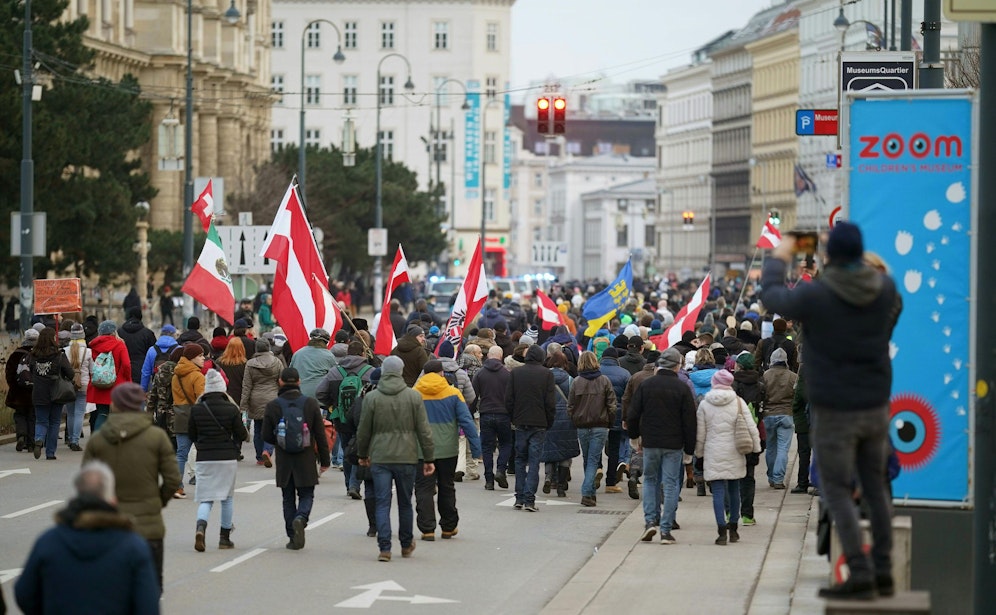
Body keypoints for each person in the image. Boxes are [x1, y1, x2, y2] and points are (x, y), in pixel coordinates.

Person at [761, 221, 901, 599]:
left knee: (837, 489)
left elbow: (772, 294)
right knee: (875, 489)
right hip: (874, 403)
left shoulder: (818, 295)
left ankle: (859, 572)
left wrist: (783, 253)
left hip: (835, 406)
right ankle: (885, 571)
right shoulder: (885, 289)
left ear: (828, 255)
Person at [15, 461, 160, 615]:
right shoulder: (133, 547)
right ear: (112, 499)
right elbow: (148, 607)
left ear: (77, 493)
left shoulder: (49, 541)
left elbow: (24, 594)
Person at [83, 383, 181, 592]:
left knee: (112, 591)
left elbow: (87, 486)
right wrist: (157, 500)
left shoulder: (98, 440)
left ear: (114, 404)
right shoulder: (156, 437)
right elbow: (173, 479)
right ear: (140, 404)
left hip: (109, 527)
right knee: (150, 589)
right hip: (149, 527)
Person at [356, 356, 435, 562]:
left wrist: (362, 455)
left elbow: (363, 431)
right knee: (405, 503)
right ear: (401, 371)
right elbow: (424, 431)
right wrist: (428, 458)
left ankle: (384, 547)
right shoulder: (413, 396)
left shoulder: (372, 398)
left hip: (380, 456)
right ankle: (406, 543)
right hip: (407, 456)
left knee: (382, 502)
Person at [627, 348, 697, 545]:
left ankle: (650, 520)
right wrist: (689, 450)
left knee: (650, 480)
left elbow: (633, 413)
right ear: (678, 366)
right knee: (672, 483)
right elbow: (690, 422)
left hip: (650, 441)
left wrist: (635, 437)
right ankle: (666, 529)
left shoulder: (646, 385)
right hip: (674, 443)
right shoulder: (682, 388)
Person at [262, 368, 332, 551]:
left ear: (280, 382)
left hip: (285, 459)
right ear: (299, 382)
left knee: (287, 498)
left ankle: (292, 537)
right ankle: (301, 518)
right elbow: (320, 434)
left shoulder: (273, 405)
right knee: (307, 494)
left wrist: (280, 439)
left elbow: (266, 435)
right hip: (306, 457)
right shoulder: (310, 404)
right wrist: (325, 460)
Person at [413, 359, 481, 541]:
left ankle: (427, 529)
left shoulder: (413, 394)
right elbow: (466, 421)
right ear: (441, 373)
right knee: (446, 487)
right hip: (448, 450)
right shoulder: (453, 393)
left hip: (421, 450)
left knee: (423, 488)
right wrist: (476, 449)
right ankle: (448, 527)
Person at [695, 369, 761, 546]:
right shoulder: (738, 402)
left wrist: (698, 455)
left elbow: (701, 434)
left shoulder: (704, 404)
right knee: (734, 490)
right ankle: (734, 528)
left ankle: (721, 531)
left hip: (713, 451)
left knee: (717, 492)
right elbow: (751, 427)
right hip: (735, 452)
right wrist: (756, 449)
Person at [188, 370, 250, 552]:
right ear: (223, 389)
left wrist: (201, 444)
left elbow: (192, 433)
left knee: (206, 498)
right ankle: (224, 538)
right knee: (227, 498)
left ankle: (201, 527)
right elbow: (241, 434)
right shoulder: (231, 409)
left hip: (204, 457)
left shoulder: (197, 409)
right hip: (226, 458)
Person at [316, 340, 374, 498]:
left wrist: (333, 405)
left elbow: (319, 393)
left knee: (348, 450)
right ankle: (354, 485)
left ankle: (349, 483)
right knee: (360, 448)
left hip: (341, 418)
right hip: (364, 417)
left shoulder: (335, 371)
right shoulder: (370, 371)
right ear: (363, 353)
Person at [505, 345, 556, 512]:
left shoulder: (515, 373)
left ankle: (519, 497)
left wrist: (513, 417)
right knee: (534, 461)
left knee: (520, 459)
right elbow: (550, 402)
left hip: (520, 422)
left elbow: (509, 399)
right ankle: (529, 499)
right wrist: (549, 421)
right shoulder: (546, 374)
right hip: (539, 422)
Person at [567, 351, 616, 507]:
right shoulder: (604, 381)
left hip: (582, 426)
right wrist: (610, 422)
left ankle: (589, 491)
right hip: (600, 425)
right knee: (593, 460)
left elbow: (571, 406)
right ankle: (587, 492)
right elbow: (612, 405)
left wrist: (574, 419)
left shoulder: (576, 382)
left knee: (588, 459)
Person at [28, 327, 74, 460]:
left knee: (41, 421)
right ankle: (50, 453)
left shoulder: (33, 355)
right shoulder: (59, 355)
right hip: (56, 392)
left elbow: (31, 371)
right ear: (53, 339)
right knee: (54, 422)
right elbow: (70, 373)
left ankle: (39, 439)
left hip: (38, 392)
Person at [731, 352, 765, 526]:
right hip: (753, 434)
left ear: (739, 366)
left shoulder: (733, 385)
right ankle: (747, 514)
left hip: (733, 435)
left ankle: (730, 513)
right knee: (748, 476)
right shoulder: (760, 386)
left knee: (731, 477)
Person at [540, 350, 580, 497]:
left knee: (549, 449)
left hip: (548, 417)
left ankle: (549, 478)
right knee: (564, 452)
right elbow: (574, 400)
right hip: (566, 419)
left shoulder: (544, 377)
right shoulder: (570, 379)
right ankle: (562, 485)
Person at [473, 345, 512, 490]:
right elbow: (511, 396)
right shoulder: (507, 374)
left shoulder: (480, 373)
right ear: (501, 356)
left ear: (489, 356)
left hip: (486, 413)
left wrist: (471, 412)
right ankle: (501, 470)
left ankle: (489, 480)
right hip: (503, 414)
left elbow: (473, 395)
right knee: (506, 443)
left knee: (487, 447)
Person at [172, 343, 207, 499]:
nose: (203, 358)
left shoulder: (176, 374)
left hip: (180, 414)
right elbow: (202, 398)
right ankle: (206, 484)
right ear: (192, 358)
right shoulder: (197, 376)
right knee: (204, 451)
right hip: (196, 416)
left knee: (181, 454)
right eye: (200, 356)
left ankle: (177, 486)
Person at [241, 339, 283, 467]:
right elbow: (281, 381)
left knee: (258, 429)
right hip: (273, 398)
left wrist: (243, 405)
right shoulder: (277, 362)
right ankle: (268, 450)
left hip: (255, 399)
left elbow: (246, 386)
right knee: (273, 427)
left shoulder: (250, 364)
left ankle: (260, 456)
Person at [762, 347, 798, 490]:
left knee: (770, 448)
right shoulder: (793, 376)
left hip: (768, 414)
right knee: (783, 449)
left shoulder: (765, 375)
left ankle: (771, 476)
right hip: (786, 414)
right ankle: (778, 479)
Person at [87, 320, 132, 432]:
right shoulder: (120, 344)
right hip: (118, 385)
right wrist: (126, 379)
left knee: (102, 413)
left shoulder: (95, 345)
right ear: (114, 331)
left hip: (101, 384)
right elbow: (126, 364)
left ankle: (98, 441)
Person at [598, 347, 630, 494]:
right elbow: (627, 398)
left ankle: (597, 468)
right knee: (614, 448)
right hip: (616, 415)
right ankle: (610, 482)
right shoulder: (624, 374)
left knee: (596, 446)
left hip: (598, 414)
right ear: (616, 359)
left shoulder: (596, 371)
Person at [6, 329, 39, 453]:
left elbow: (9, 373)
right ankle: (30, 443)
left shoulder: (16, 353)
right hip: (34, 392)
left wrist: (13, 386)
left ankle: (21, 436)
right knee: (32, 416)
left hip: (18, 392)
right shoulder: (38, 354)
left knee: (19, 415)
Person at [63, 324, 93, 452]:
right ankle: (75, 440)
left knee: (70, 413)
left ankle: (70, 438)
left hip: (68, 385)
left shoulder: (64, 351)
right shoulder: (88, 352)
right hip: (84, 384)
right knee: (79, 413)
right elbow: (92, 370)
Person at [288, 328, 337, 400]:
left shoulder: (298, 353)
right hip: (319, 398)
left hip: (299, 396)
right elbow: (334, 376)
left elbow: (290, 372)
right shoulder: (329, 356)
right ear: (325, 342)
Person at [117, 307, 157, 385]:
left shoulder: (119, 332)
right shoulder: (148, 333)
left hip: (123, 371)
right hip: (142, 372)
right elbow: (153, 354)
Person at [141, 324, 179, 391]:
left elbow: (145, 373)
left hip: (156, 389)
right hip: (175, 389)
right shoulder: (179, 349)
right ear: (173, 334)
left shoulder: (151, 350)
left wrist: (143, 390)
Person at [216, 337, 248, 406]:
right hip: (240, 398)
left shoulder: (219, 363)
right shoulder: (245, 364)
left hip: (224, 397)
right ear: (242, 348)